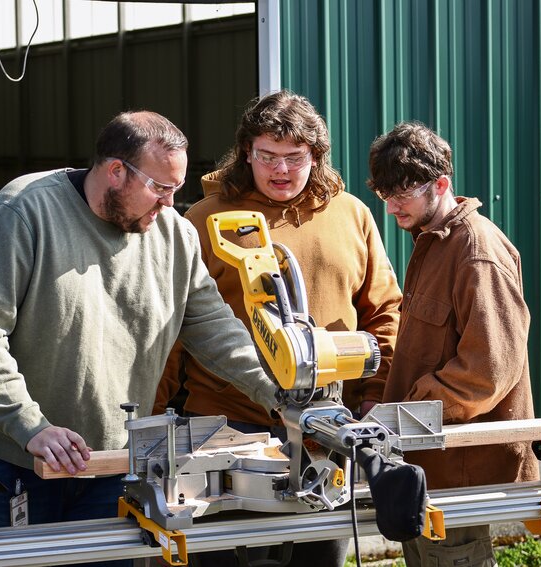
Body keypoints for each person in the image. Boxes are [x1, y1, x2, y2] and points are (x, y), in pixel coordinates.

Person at [0, 111, 279, 567]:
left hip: (109, 460)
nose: (168, 203)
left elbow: (212, 326)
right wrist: (30, 426)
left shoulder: (174, 236)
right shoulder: (21, 213)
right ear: (116, 170)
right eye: (159, 189)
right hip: (13, 459)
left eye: (175, 191)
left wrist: (277, 390)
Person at [154, 90, 402, 567]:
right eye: (267, 156)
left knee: (319, 559)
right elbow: (170, 327)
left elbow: (384, 312)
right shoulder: (205, 220)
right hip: (223, 431)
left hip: (326, 432)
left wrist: (374, 393)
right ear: (246, 153)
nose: (281, 170)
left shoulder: (351, 215)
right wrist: (152, 414)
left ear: (317, 155)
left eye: (295, 157)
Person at [367, 122, 538, 567]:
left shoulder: (476, 249)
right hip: (425, 466)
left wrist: (405, 413)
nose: (391, 209)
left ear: (441, 184)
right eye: (385, 196)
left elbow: (487, 371)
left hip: (461, 470)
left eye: (401, 196)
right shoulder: (431, 241)